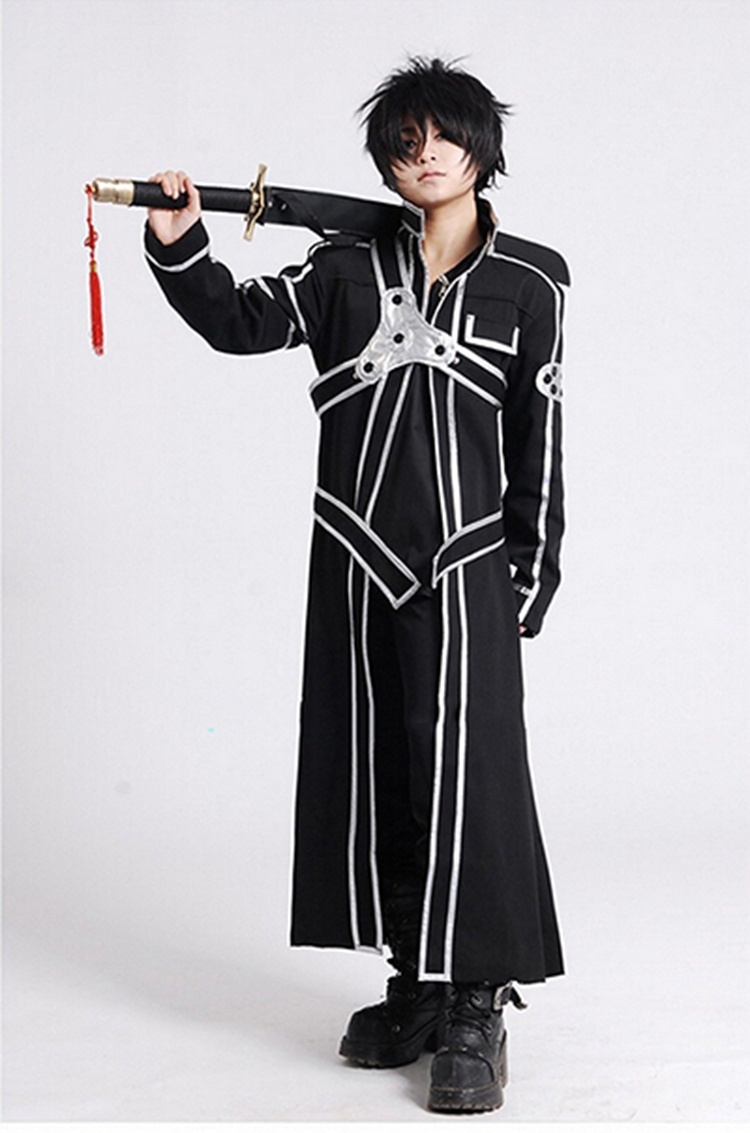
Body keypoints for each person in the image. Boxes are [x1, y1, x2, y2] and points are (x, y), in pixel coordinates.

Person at [144, 56, 569, 1114]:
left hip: (469, 567)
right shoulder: (340, 270)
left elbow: (538, 438)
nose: (426, 156)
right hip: (356, 557)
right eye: (405, 143)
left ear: (481, 149)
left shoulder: (530, 284)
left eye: (444, 137)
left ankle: (475, 999)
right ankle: (416, 978)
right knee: (375, 766)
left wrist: (530, 571)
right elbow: (239, 323)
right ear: (385, 162)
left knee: (471, 778)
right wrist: (181, 244)